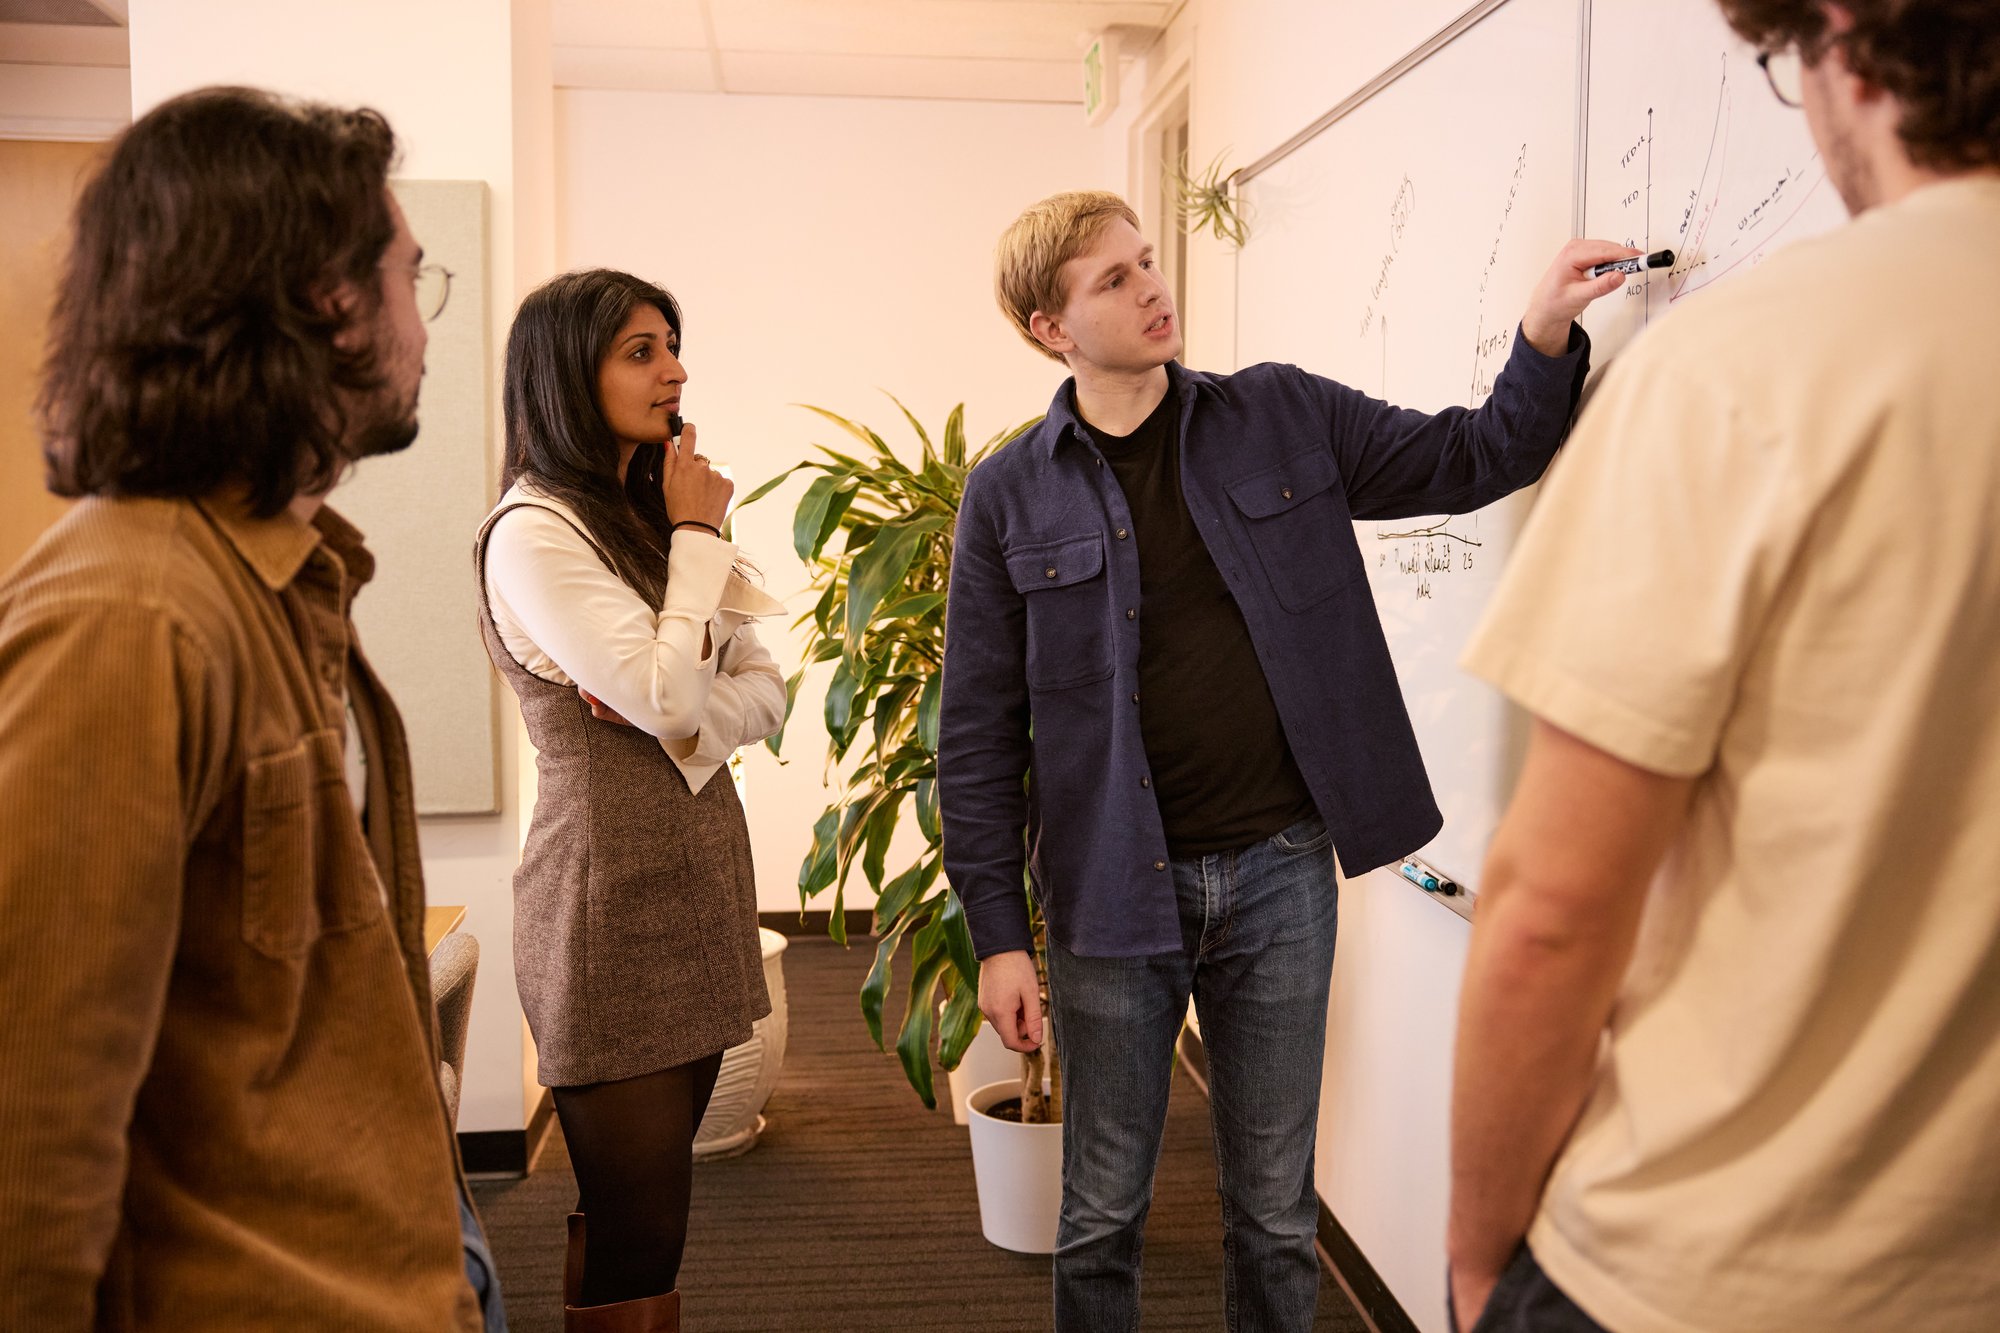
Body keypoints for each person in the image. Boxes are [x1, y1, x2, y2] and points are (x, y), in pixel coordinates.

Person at [939, 187, 1631, 1330]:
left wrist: (1546, 330)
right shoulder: (1007, 494)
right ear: (1046, 329)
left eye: (1147, 261)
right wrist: (998, 937)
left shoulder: (1279, 415)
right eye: (1111, 279)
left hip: (1275, 876)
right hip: (1112, 893)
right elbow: (973, 732)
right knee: (1101, 1211)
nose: (1152, 287)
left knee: (1271, 1210)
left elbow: (1475, 455)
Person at [1445, 2, 2000, 1330]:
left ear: (1846, 36)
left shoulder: (1743, 370)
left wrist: (1476, 1261)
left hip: (1711, 1270)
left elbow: (1552, 909)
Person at [0, 86, 499, 1329]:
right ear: (326, 300)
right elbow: (27, 1124)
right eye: (408, 279)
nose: (425, 327)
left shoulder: (285, 579)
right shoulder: (128, 615)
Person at [477, 268, 785, 1331]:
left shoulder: (642, 515)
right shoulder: (532, 532)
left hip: (693, 880)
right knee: (637, 1225)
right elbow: (668, 694)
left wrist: (686, 697)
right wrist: (696, 548)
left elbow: (762, 689)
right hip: (606, 905)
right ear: (570, 372)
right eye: (641, 350)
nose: (676, 370)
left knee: (639, 1220)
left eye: (671, 344)